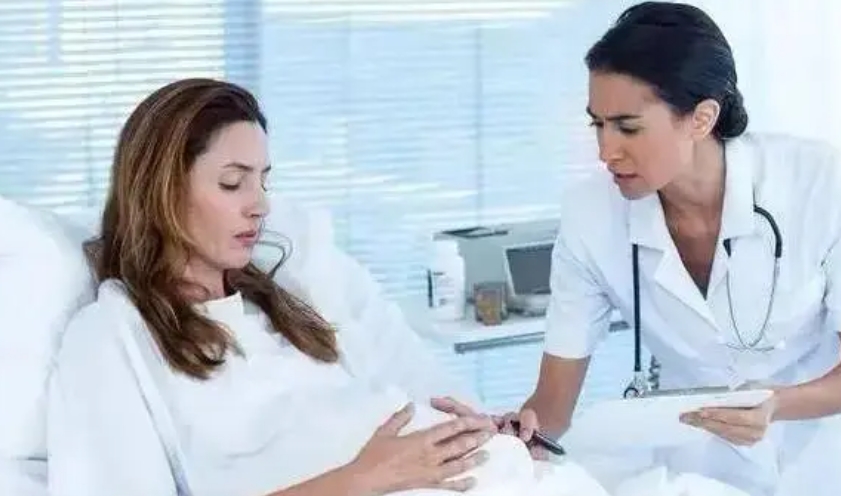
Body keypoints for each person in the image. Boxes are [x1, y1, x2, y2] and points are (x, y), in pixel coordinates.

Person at [44, 78, 612, 496]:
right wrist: (365, 478)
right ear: (161, 190)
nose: (260, 205)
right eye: (232, 183)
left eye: (263, 181)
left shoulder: (285, 302)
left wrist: (482, 431)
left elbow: (373, 401)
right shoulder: (114, 336)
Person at [501, 2, 841, 496]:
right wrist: (507, 439)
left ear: (701, 118)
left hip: (821, 458)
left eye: (628, 127)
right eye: (597, 124)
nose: (606, 151)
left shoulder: (819, 183)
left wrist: (775, 404)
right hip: (695, 470)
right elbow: (552, 408)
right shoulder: (590, 215)